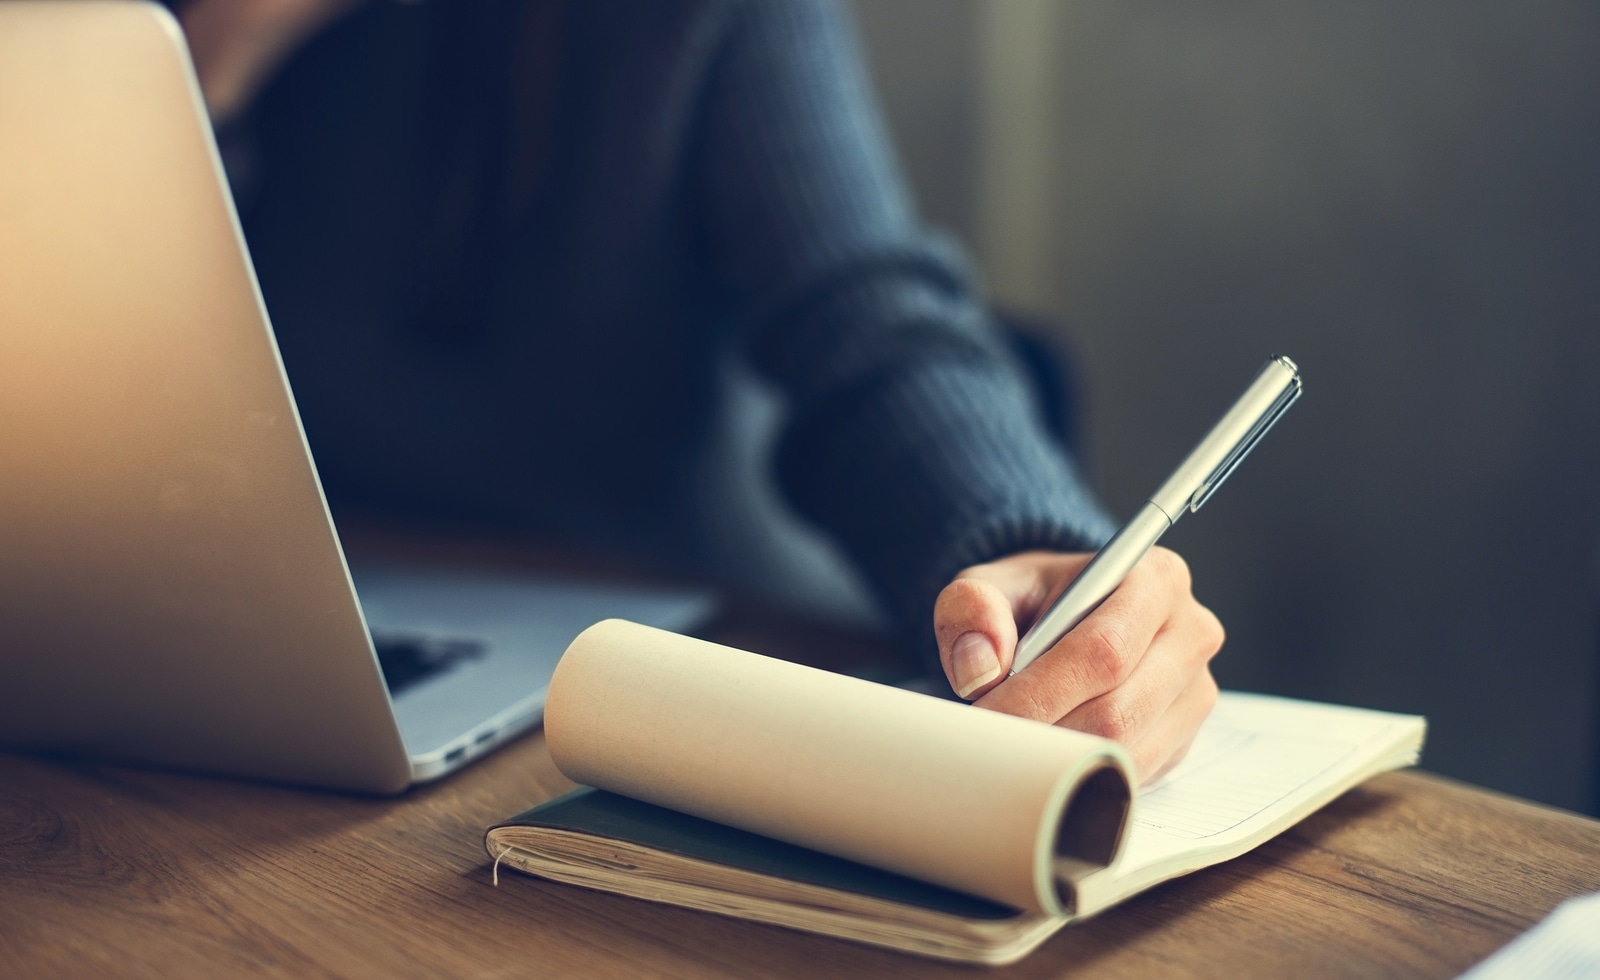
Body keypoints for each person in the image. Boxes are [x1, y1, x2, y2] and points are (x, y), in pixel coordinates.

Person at [170, 0, 1223, 780]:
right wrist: (212, 62)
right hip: (290, 668)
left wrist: (1018, 541)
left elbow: (866, 324)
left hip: (683, 680)